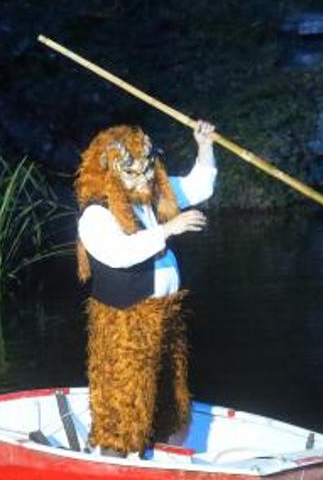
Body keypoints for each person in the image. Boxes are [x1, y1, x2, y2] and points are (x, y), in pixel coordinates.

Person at [75, 120, 217, 456]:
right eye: (133, 173)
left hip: (166, 315)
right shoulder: (96, 215)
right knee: (124, 397)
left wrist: (205, 146)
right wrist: (168, 229)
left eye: (148, 169)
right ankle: (115, 456)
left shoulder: (151, 195)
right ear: (109, 173)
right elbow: (120, 254)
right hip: (126, 321)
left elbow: (199, 187)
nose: (144, 179)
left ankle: (162, 453)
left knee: (168, 394)